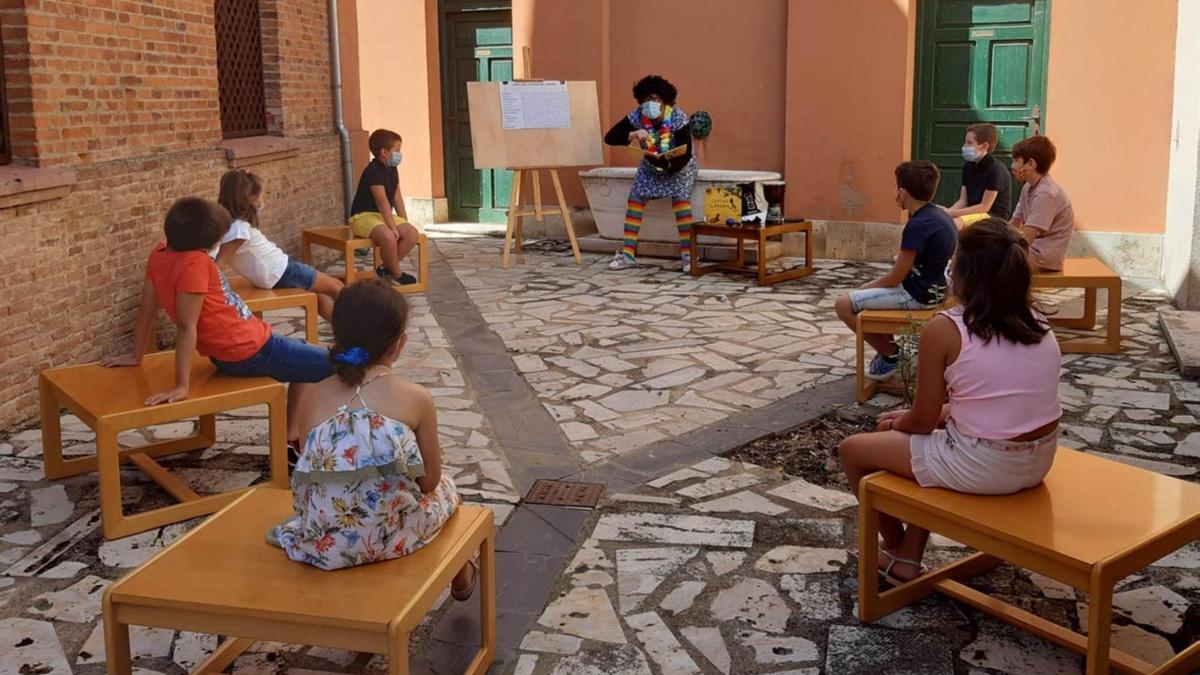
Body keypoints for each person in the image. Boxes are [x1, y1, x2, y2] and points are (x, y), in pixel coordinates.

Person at [839, 218, 1061, 585]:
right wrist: (931, 419)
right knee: (932, 444)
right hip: (1038, 461)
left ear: (962, 274)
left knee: (854, 450)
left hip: (985, 465)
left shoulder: (946, 328)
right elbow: (994, 401)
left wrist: (898, 423)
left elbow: (922, 420)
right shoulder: (1038, 323)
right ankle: (910, 552)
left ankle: (896, 549)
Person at [268, 280, 477, 600]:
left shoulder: (312, 395)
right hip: (389, 536)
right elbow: (429, 480)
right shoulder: (415, 398)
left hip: (325, 542)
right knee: (449, 493)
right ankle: (462, 574)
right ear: (399, 344)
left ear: (337, 335)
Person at [102, 197, 333, 452]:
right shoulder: (194, 264)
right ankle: (310, 443)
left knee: (306, 361)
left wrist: (137, 355)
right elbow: (186, 326)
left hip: (247, 343)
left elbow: (147, 308)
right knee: (342, 366)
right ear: (206, 243)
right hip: (248, 351)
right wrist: (181, 385)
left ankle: (292, 438)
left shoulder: (160, 252)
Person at [834, 161, 958, 381]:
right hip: (936, 288)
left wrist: (865, 287)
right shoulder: (941, 215)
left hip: (917, 294)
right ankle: (889, 354)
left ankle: (891, 356)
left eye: (895, 188)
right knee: (870, 299)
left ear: (902, 193)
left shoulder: (917, 225)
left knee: (844, 304)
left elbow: (896, 276)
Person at [215, 169, 344, 320]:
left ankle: (342, 337)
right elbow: (219, 264)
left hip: (276, 273)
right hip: (283, 271)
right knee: (338, 287)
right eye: (262, 195)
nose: (264, 199)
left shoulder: (230, 226)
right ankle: (355, 334)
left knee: (319, 297)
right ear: (250, 198)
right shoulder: (239, 230)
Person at [602, 75, 698, 272]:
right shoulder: (637, 117)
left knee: (680, 199)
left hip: (678, 166)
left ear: (665, 101)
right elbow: (610, 138)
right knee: (635, 198)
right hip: (650, 165)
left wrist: (670, 166)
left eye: (654, 99)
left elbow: (685, 152)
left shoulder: (678, 117)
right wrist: (632, 134)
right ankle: (628, 255)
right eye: (645, 99)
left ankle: (688, 255)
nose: (649, 104)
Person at [348, 129, 421, 285]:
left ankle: (385, 269)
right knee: (389, 237)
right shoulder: (373, 171)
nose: (399, 155)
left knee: (411, 233)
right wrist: (392, 226)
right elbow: (382, 202)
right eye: (397, 150)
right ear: (384, 152)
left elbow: (396, 197)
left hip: (381, 216)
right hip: (363, 216)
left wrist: (403, 221)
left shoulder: (392, 169)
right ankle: (397, 273)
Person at [1009, 135, 1074, 272]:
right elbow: (1014, 224)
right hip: (1032, 251)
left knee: (992, 261)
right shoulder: (1028, 187)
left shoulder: (1047, 193)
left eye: (1016, 161)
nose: (1012, 166)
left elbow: (1027, 238)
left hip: (1043, 257)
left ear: (1031, 164)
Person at [943, 123, 1011, 227]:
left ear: (984, 146)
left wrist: (950, 213)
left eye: (969, 143)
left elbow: (984, 207)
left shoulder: (996, 170)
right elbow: (963, 200)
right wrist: (946, 213)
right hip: (972, 214)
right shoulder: (968, 167)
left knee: (953, 225)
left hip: (992, 218)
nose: (964, 147)